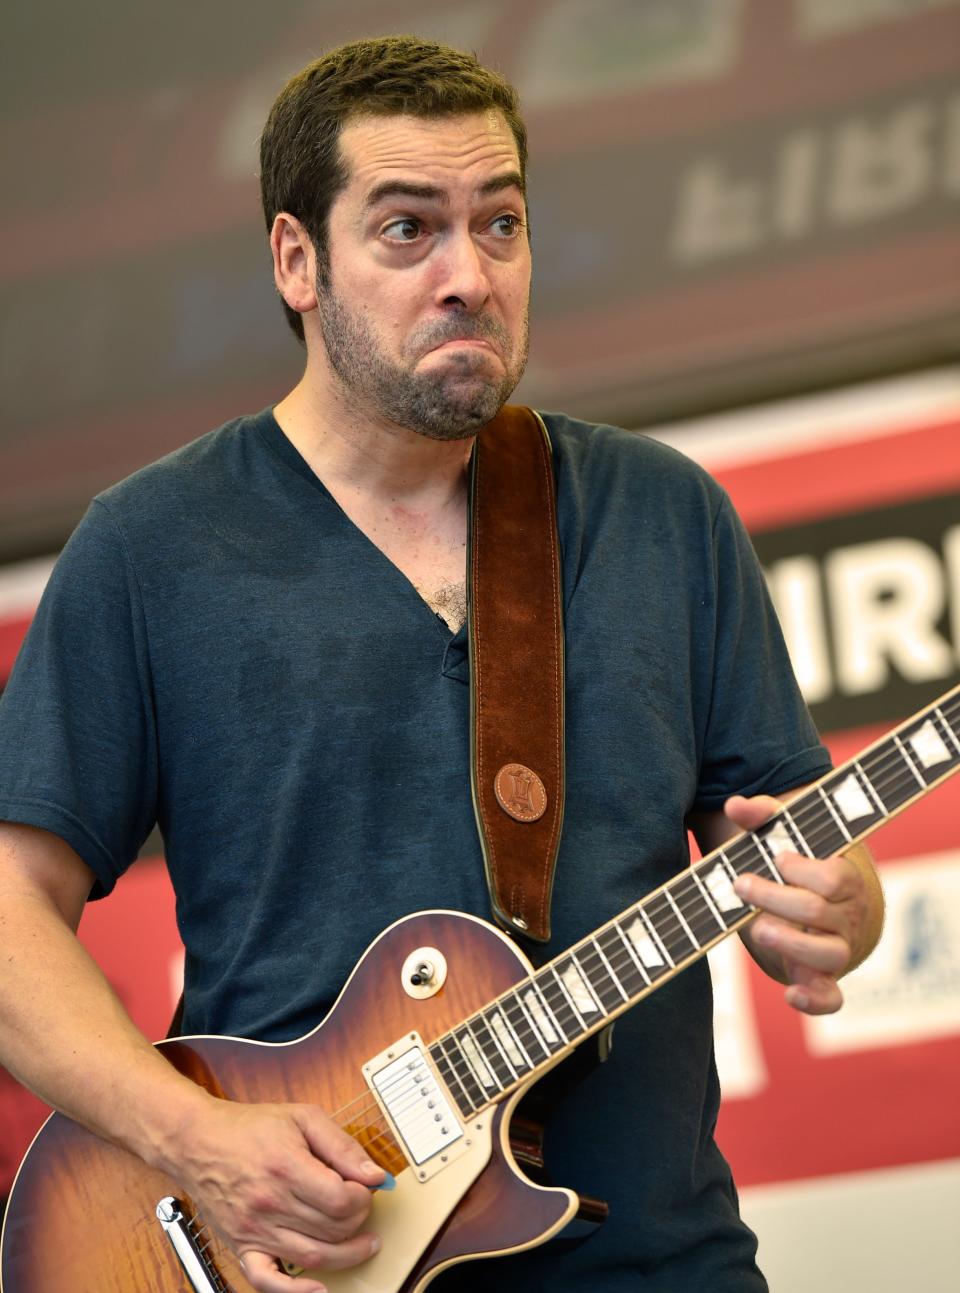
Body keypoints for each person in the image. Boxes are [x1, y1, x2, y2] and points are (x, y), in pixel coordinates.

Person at [0, 35, 883, 1293]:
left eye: (502, 224)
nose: (470, 275)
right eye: (408, 230)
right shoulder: (151, 548)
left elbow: (811, 848)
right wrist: (194, 1140)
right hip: (300, 1260)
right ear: (296, 261)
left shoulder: (661, 512)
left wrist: (841, 908)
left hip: (654, 1260)